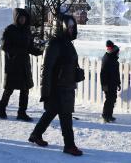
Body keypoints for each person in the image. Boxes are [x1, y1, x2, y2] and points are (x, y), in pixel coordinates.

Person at [29, 14, 83, 157]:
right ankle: (69, 146)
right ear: (62, 27)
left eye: (73, 27)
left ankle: (36, 134)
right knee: (66, 116)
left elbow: (68, 63)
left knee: (51, 112)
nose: (72, 29)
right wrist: (45, 91)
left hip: (67, 84)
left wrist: (76, 72)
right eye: (69, 27)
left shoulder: (67, 43)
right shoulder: (55, 43)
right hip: (59, 87)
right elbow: (47, 69)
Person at [0, 8, 43, 121]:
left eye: (24, 18)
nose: (23, 20)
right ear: (16, 18)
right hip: (13, 64)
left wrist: (38, 51)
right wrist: (21, 51)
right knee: (9, 89)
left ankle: (22, 112)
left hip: (24, 64)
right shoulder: (9, 30)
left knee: (25, 90)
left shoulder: (27, 30)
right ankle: (1, 109)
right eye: (21, 18)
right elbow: (5, 47)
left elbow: (29, 47)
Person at [100, 40, 121, 123]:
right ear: (114, 52)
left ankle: (109, 115)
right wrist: (104, 85)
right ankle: (105, 115)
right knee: (109, 99)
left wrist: (118, 83)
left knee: (112, 99)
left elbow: (117, 73)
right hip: (108, 84)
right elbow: (102, 74)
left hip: (113, 84)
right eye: (118, 52)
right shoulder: (107, 60)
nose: (118, 54)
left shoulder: (113, 60)